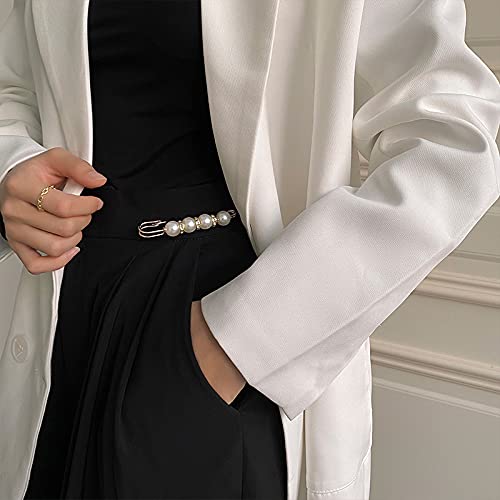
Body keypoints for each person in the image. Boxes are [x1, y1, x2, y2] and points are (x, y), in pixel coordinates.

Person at [0, 1, 499, 500]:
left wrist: (238, 341)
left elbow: (454, 141)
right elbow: (15, 88)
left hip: (218, 334)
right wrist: (11, 169)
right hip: (65, 316)